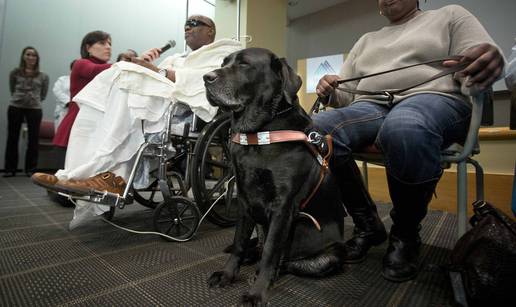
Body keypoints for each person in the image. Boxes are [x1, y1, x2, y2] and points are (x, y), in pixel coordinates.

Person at [313, 0, 504, 282]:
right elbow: (347, 94)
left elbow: (484, 57)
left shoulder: (451, 15)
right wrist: (330, 88)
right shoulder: (367, 40)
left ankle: (404, 234)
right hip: (371, 106)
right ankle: (368, 224)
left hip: (434, 99)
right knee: (314, 131)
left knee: (403, 128)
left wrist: (490, 59)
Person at [31, 15, 241, 221]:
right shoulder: (177, 57)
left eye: (194, 24)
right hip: (156, 99)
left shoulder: (222, 52)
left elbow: (203, 80)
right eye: (186, 24)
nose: (187, 28)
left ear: (210, 30)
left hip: (180, 106)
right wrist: (145, 65)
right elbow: (158, 73)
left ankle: (100, 176)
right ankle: (82, 174)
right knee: (103, 102)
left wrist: (156, 71)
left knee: (125, 79)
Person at [52, 31, 112, 150]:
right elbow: (94, 70)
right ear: (88, 47)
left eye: (110, 44)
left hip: (95, 124)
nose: (108, 47)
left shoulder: (109, 69)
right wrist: (128, 63)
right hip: (78, 124)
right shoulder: (81, 63)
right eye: (102, 43)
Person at [3, 46, 49, 177]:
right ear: (23, 57)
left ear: (37, 58)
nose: (31, 57)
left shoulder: (43, 76)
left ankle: (31, 169)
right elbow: (12, 89)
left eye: (34, 55)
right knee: (12, 138)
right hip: (16, 107)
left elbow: (43, 94)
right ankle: (9, 169)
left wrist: (33, 100)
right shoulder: (15, 73)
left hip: (34, 108)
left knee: (33, 139)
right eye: (28, 54)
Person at [52, 60, 75, 132]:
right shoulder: (63, 79)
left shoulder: (84, 81)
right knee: (60, 133)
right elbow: (57, 91)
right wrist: (68, 102)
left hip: (76, 110)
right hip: (63, 110)